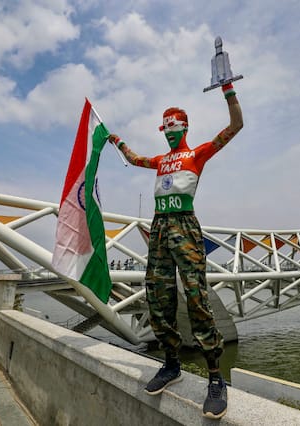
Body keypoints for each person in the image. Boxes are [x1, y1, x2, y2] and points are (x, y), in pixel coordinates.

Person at [108, 82, 242, 419]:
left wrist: (228, 91)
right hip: (159, 228)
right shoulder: (161, 160)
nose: (169, 131)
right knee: (157, 295)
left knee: (197, 297)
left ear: (184, 126)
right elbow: (136, 158)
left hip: (184, 226)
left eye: (174, 125)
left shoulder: (196, 154)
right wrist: (116, 140)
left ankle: (215, 377)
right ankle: (171, 363)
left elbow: (235, 127)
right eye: (164, 126)